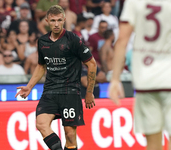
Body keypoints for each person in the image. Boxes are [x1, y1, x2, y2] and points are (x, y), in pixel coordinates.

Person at [15, 5, 97, 150]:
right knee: (41, 124)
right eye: (53, 21)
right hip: (50, 91)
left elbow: (91, 63)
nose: (57, 24)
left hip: (70, 92)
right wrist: (29, 86)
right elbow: (41, 66)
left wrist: (89, 92)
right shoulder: (42, 41)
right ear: (47, 21)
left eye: (59, 20)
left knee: (70, 135)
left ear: (64, 20)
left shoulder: (72, 39)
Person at [108, 1, 171, 150]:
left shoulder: (134, 2)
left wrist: (115, 79)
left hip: (146, 80)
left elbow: (122, 40)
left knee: (153, 144)